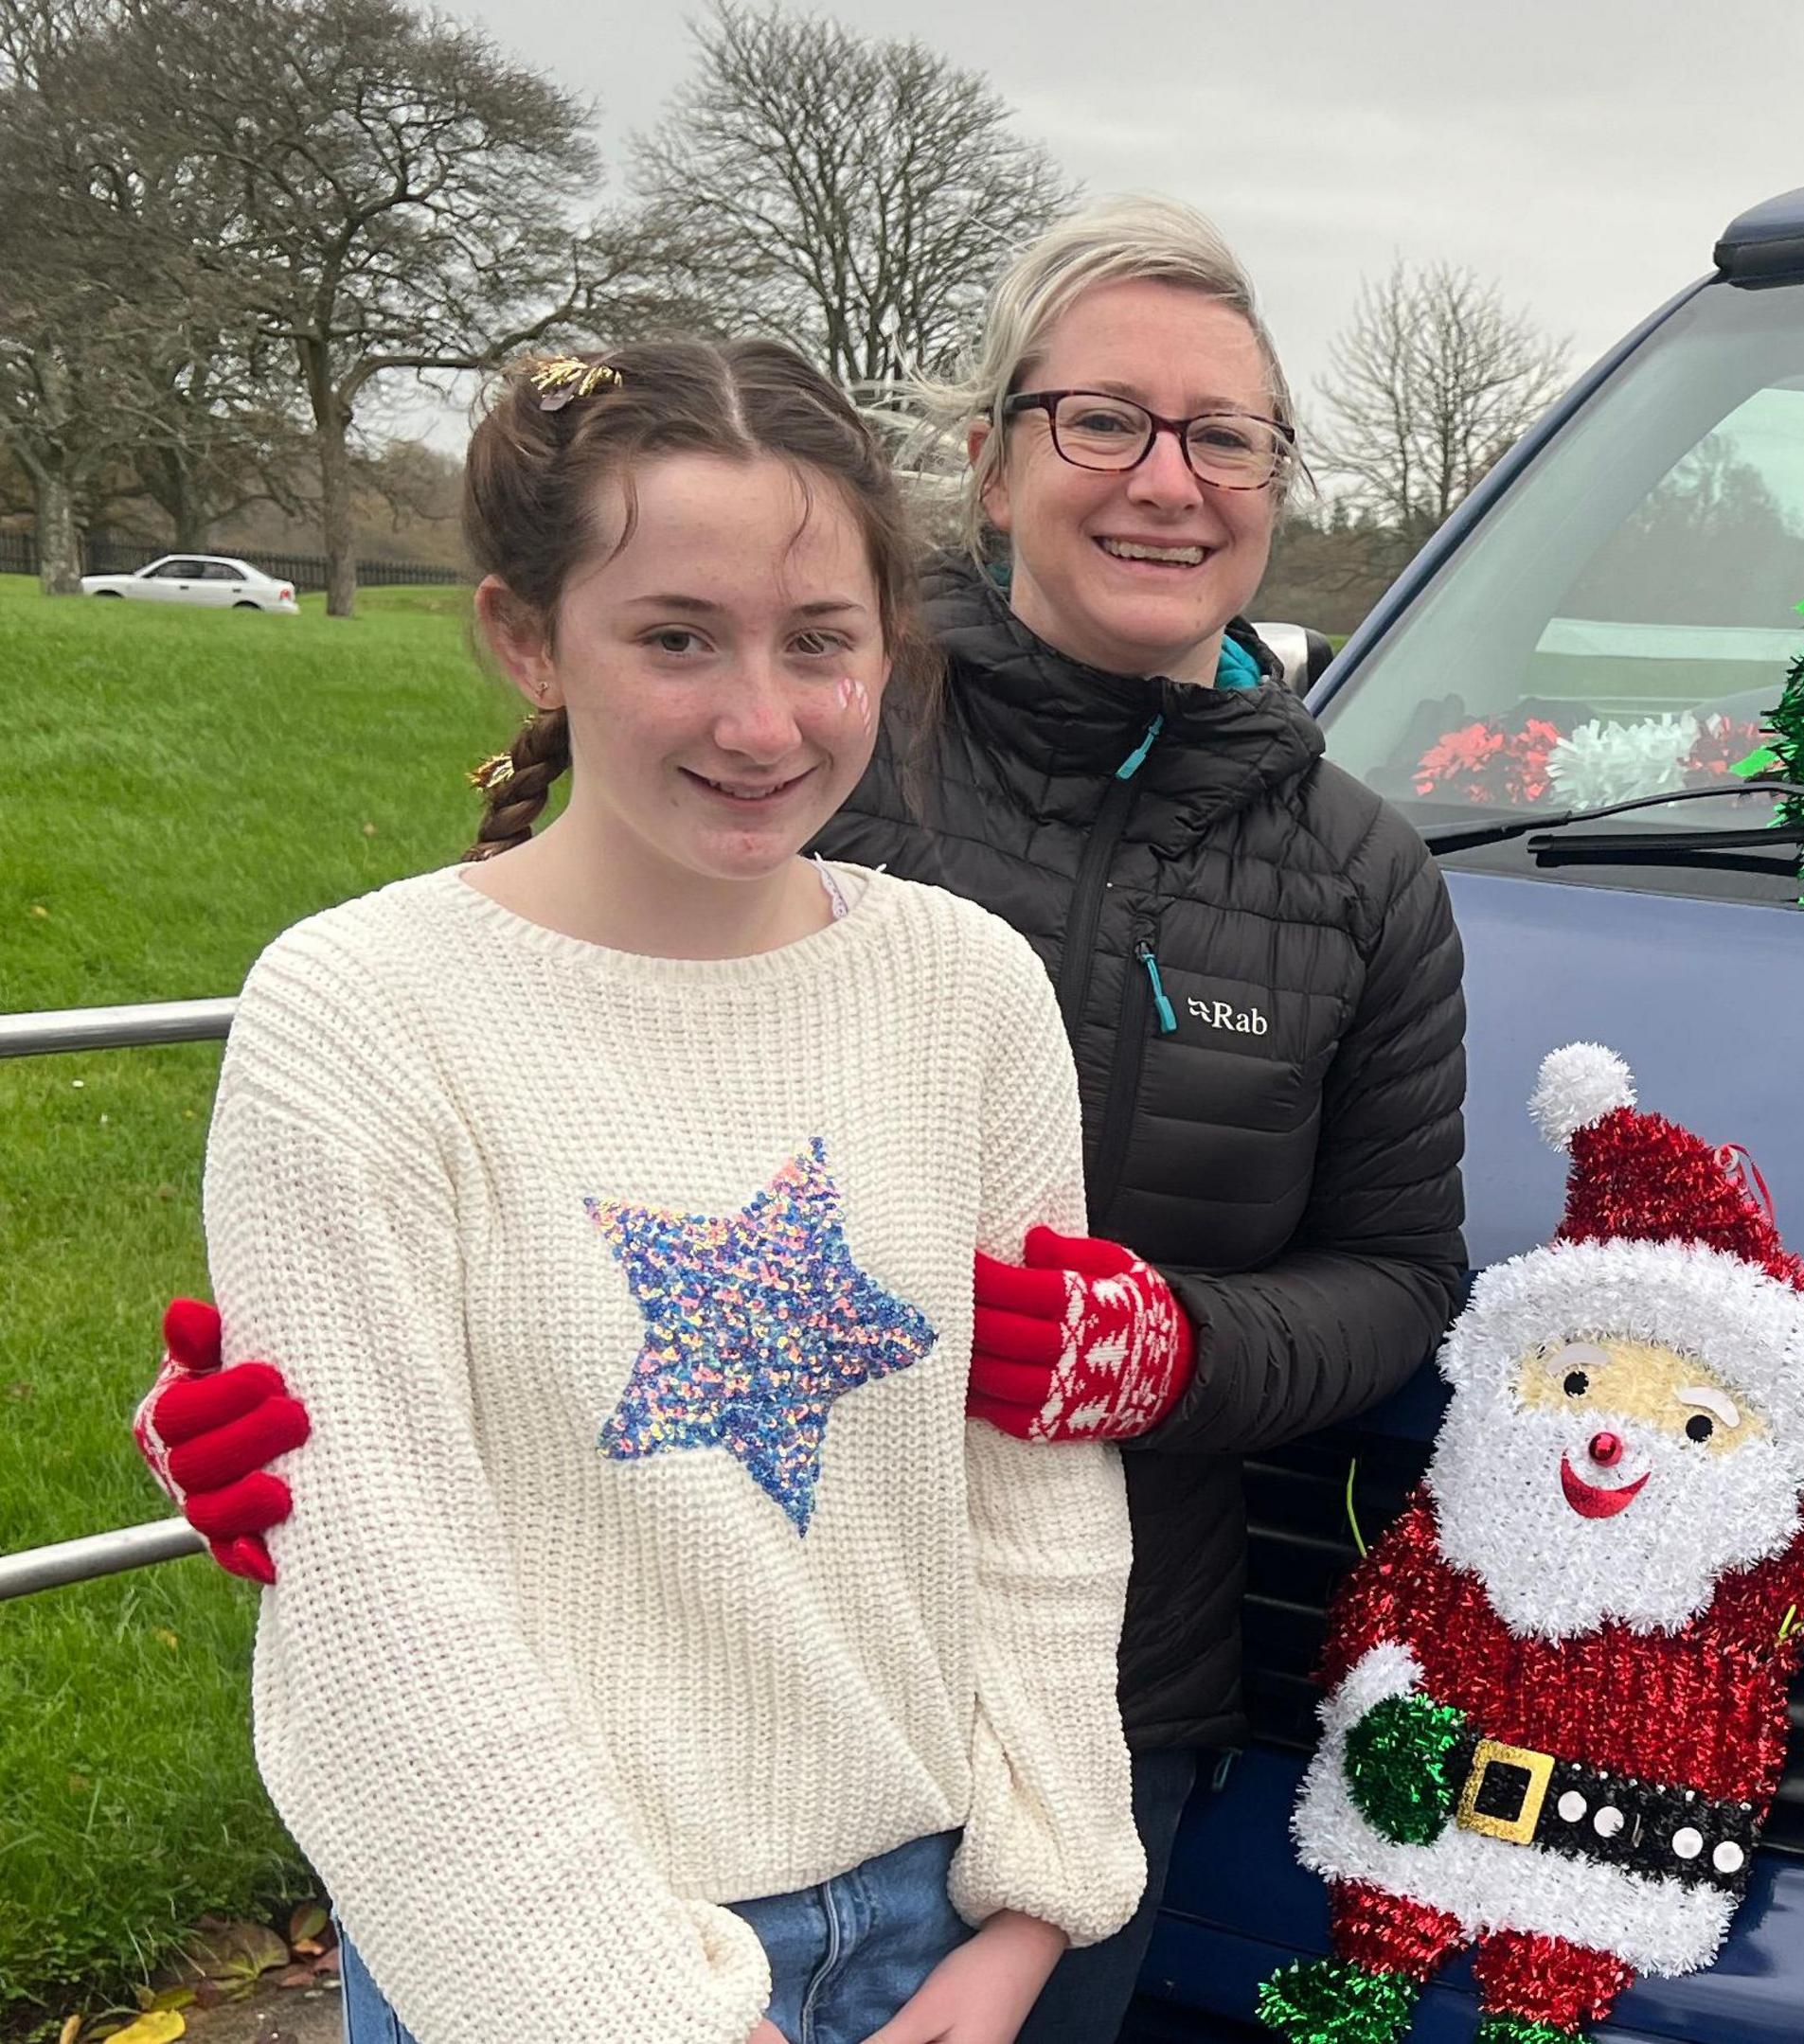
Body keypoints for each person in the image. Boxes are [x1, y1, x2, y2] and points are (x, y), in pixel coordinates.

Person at [134, 197, 1474, 2044]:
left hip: (1041, 1759)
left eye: (1222, 432)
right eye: (1102, 419)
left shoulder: (1350, 878)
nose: (1166, 478)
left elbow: (1396, 1277)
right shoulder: (804, 796)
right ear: (991, 468)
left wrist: (1168, 1352)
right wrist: (304, 1415)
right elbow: (445, 1376)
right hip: (595, 1877)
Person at [202, 338, 1141, 2044]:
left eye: (819, 642)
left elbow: (1034, 1495)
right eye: (675, 637)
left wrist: (1028, 1909)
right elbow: (376, 1587)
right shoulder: (361, 1015)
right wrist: (626, 2007)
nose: (759, 718)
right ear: (523, 637)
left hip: (933, 1936)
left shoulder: (970, 993)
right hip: (543, 1955)